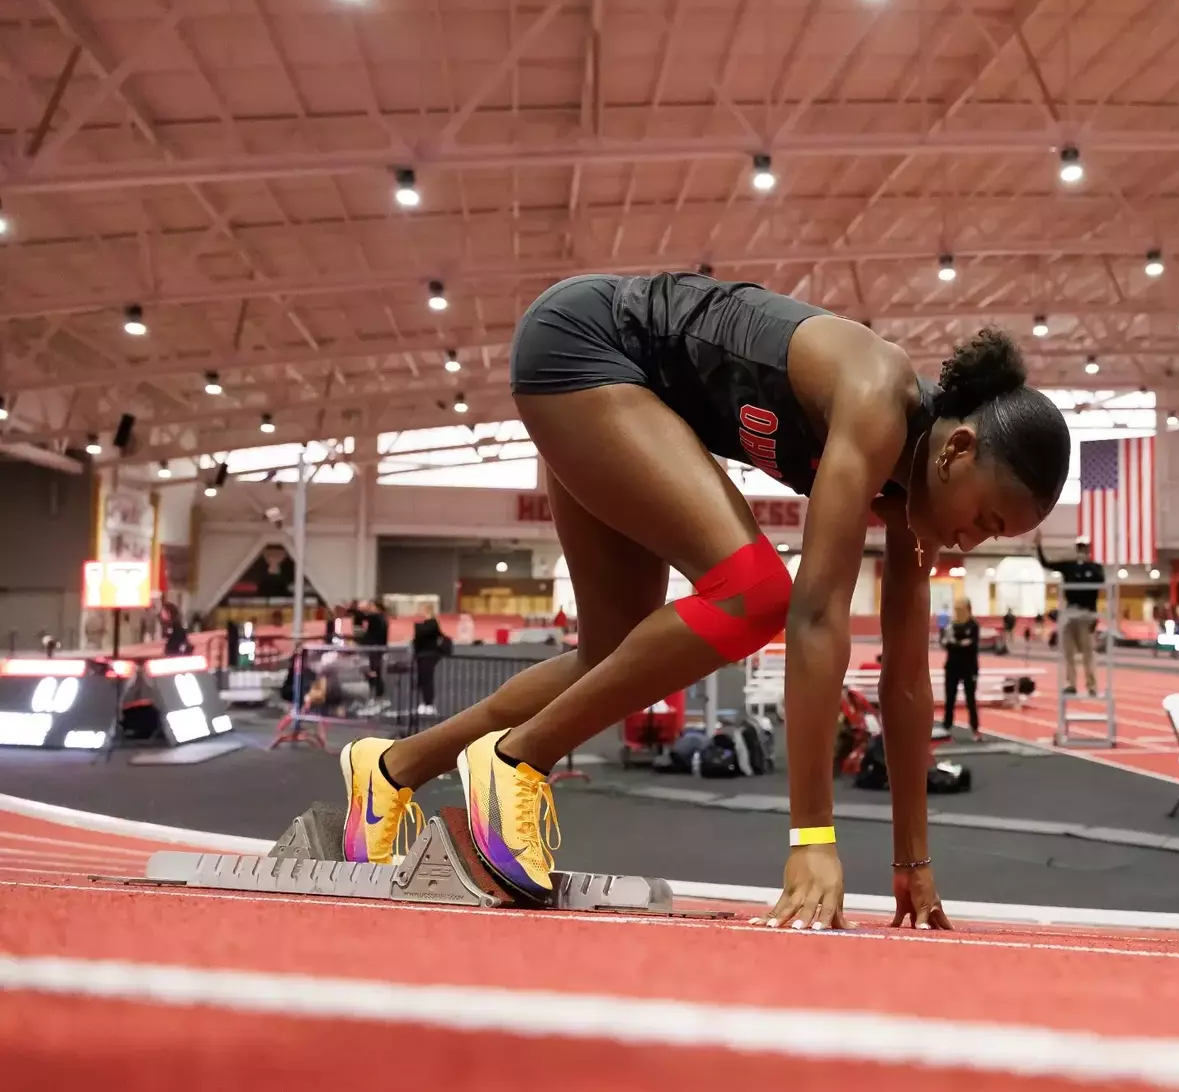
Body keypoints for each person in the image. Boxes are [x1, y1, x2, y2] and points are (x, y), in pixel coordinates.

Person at [335, 271, 1070, 931]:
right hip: (586, 343)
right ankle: (516, 761)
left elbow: (905, 682)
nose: (975, 541)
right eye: (986, 519)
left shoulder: (916, 506)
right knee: (756, 593)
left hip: (632, 392)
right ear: (957, 450)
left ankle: (391, 770)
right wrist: (812, 840)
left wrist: (912, 860)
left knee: (613, 656)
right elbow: (815, 617)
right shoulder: (878, 398)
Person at [1035, 533, 1105, 694]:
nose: (1082, 551)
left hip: (1086, 613)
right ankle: (1071, 684)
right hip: (1070, 612)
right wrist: (1038, 546)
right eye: (1079, 548)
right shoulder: (1069, 566)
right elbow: (1046, 563)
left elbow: (1101, 583)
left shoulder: (1095, 568)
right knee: (1068, 651)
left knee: (1088, 652)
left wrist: (1094, 618)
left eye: (1084, 548)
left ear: (1088, 550)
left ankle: (1092, 685)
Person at [939, 598, 980, 736]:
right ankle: (947, 724)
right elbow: (945, 642)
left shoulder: (973, 626)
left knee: (970, 699)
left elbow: (971, 644)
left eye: (960, 608)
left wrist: (955, 644)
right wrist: (958, 644)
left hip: (969, 667)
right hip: (952, 666)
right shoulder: (951, 625)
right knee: (950, 697)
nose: (957, 611)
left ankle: (974, 727)